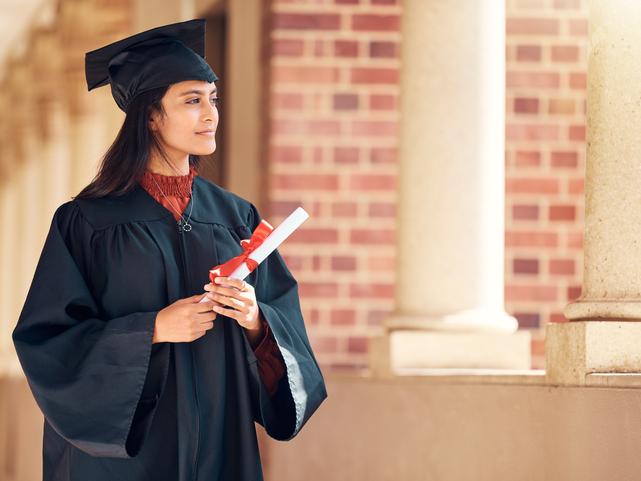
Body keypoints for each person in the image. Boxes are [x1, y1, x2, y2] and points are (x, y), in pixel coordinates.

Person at [11, 18, 327, 481]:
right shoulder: (87, 222)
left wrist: (255, 320)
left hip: (220, 444)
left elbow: (288, 337)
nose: (211, 115)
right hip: (126, 460)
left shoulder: (235, 216)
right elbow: (48, 342)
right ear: (151, 116)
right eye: (192, 101)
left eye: (212, 99)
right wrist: (152, 330)